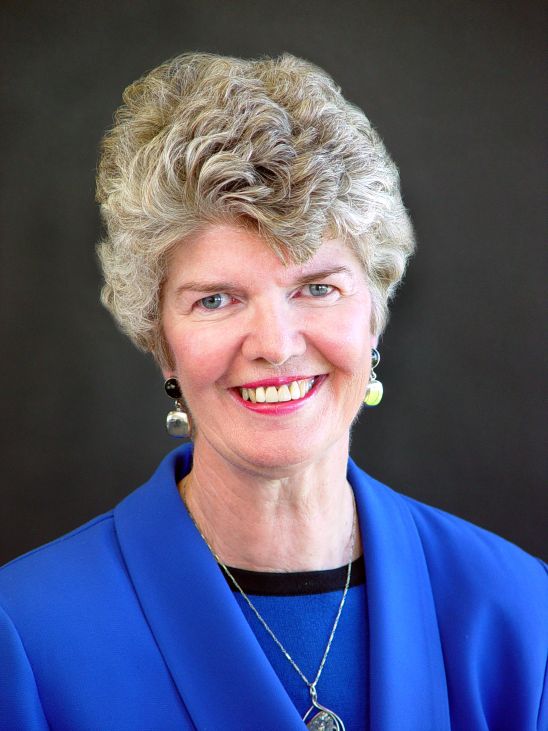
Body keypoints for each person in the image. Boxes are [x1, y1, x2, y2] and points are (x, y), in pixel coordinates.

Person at [0, 52, 545, 731]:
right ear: (160, 337)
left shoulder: (520, 611)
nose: (276, 344)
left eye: (317, 288)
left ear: (374, 315)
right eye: (217, 298)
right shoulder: (25, 635)